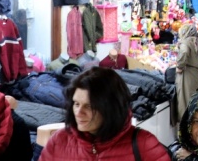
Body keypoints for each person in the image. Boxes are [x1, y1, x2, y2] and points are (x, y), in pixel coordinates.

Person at [40, 67, 170, 160]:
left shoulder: (143, 144)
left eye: (89, 106)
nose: (79, 113)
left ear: (110, 107)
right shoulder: (59, 141)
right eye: (76, 104)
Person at [176, 23, 198, 120]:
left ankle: (186, 128)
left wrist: (180, 66)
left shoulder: (186, 42)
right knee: (195, 102)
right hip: (196, 74)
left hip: (187, 75)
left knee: (186, 102)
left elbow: (184, 52)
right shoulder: (197, 42)